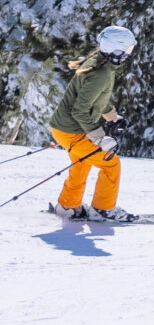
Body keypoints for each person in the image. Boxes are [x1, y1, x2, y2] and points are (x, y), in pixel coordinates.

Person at [49, 25, 136, 219]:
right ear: (116, 49)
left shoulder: (99, 63)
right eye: (127, 50)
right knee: (111, 163)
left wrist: (113, 118)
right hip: (72, 130)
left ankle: (68, 206)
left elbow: (97, 99)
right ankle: (103, 209)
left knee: (82, 163)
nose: (128, 55)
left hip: (63, 128)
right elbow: (79, 110)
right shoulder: (101, 73)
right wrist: (99, 138)